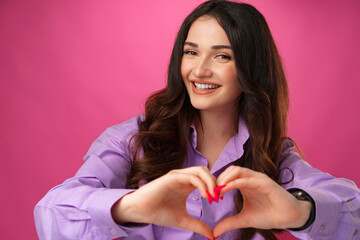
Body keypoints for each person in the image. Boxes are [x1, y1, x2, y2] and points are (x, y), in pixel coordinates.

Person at [34, 1, 360, 239]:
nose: (199, 70)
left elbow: (353, 209)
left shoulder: (274, 155)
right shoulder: (132, 139)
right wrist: (130, 207)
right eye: (191, 52)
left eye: (222, 55)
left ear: (251, 68)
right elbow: (51, 213)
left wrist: (300, 211)